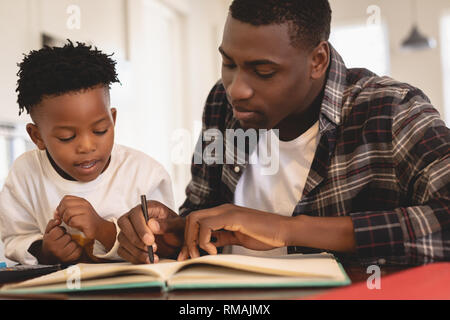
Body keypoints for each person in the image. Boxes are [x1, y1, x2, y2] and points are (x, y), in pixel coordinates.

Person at [117, 0, 450, 266]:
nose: (237, 89)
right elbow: (203, 209)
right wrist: (175, 232)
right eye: (230, 64)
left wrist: (287, 230)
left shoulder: (390, 110)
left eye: (263, 71)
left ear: (317, 60)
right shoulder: (221, 103)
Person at [0, 41, 175, 265]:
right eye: (67, 137)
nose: (87, 146)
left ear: (113, 119)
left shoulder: (146, 174)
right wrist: (44, 250)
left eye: (100, 130)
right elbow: (15, 238)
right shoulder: (26, 173)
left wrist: (102, 229)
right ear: (37, 137)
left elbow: (166, 247)